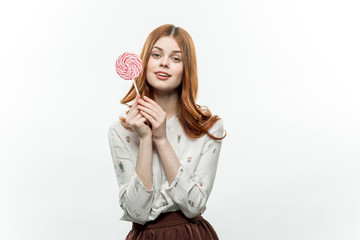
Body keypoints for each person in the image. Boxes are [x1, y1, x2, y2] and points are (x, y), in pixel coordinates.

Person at [108, 24, 227, 240]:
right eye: (156, 55)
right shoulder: (120, 131)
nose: (164, 62)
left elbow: (194, 205)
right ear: (144, 62)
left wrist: (161, 140)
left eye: (176, 58)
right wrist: (145, 139)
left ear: (186, 68)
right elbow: (137, 211)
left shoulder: (208, 127)